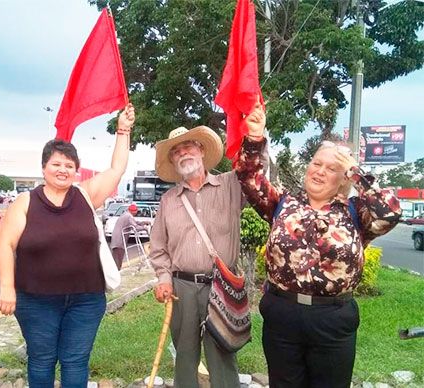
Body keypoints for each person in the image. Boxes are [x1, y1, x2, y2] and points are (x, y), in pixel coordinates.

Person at [235, 103, 402, 387]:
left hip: (332, 319)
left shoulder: (355, 212)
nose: (320, 171)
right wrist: (254, 136)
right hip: (282, 314)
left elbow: (390, 212)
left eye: (332, 168)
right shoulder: (283, 203)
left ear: (344, 178)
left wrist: (356, 172)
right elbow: (248, 176)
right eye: (316, 163)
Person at [0, 104, 135, 387]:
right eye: (56, 164)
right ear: (44, 168)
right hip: (35, 301)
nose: (62, 170)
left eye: (69, 165)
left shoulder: (85, 195)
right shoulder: (25, 202)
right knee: (41, 361)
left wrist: (123, 129)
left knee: (75, 362)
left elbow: (117, 168)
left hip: (86, 300)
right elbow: (5, 244)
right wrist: (7, 288)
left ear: (76, 170)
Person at [149, 121, 258, 387]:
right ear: (173, 162)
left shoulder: (231, 184)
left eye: (188, 146)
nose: (183, 153)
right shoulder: (169, 200)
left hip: (221, 286)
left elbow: (255, 170)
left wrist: (255, 135)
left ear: (200, 150)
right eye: (176, 152)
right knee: (185, 356)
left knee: (222, 351)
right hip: (182, 287)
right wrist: (164, 278)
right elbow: (158, 246)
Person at [110, 203, 150, 269]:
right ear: (133, 211)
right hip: (119, 241)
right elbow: (136, 227)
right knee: (118, 259)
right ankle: (116, 272)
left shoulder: (126, 214)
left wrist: (143, 222)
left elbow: (135, 222)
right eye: (136, 212)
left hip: (116, 240)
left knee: (116, 258)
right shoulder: (129, 216)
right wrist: (145, 228)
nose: (136, 213)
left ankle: (115, 271)